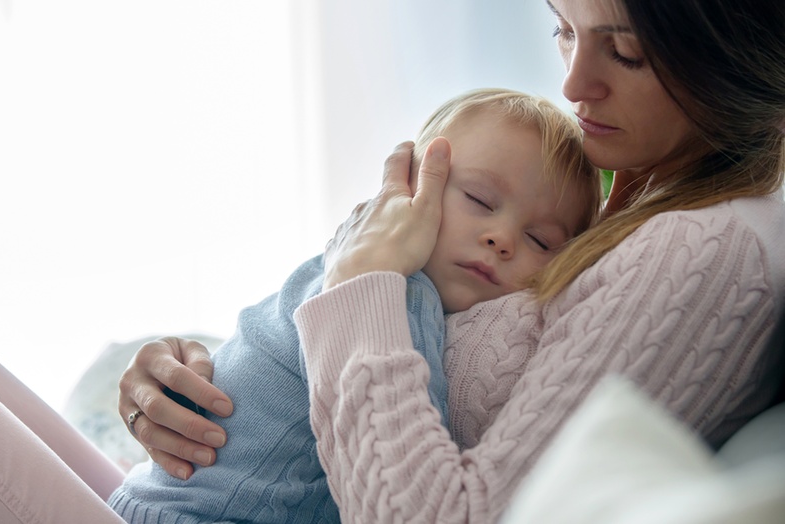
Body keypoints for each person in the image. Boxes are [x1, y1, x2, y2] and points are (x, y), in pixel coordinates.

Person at [119, 0, 785, 522]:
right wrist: (204, 373)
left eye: (626, 52)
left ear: (736, 52)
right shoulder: (630, 188)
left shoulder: (703, 252)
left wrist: (360, 283)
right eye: (563, 28)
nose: (574, 83)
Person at [107, 87, 601, 523]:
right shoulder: (394, 294)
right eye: (478, 198)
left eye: (539, 239)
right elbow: (413, 457)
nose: (502, 238)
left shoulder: (354, 274)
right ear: (406, 187)